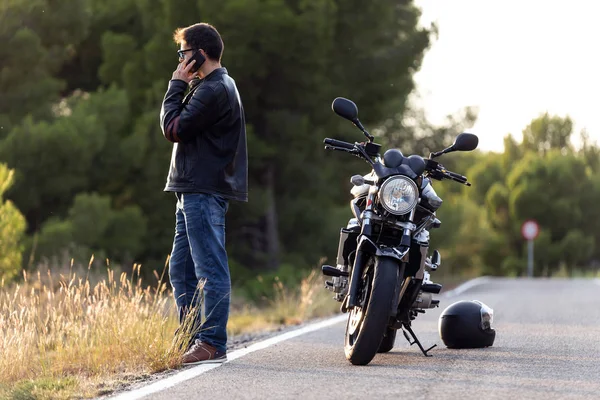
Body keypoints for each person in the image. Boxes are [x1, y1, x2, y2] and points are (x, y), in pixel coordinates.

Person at [159, 22, 248, 365]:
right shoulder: (212, 85)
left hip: (202, 190)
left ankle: (211, 342)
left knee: (209, 266)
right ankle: (190, 338)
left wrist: (176, 85)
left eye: (183, 53)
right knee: (181, 270)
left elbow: (173, 127)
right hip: (192, 190)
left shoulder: (213, 89)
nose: (179, 60)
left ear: (199, 54)